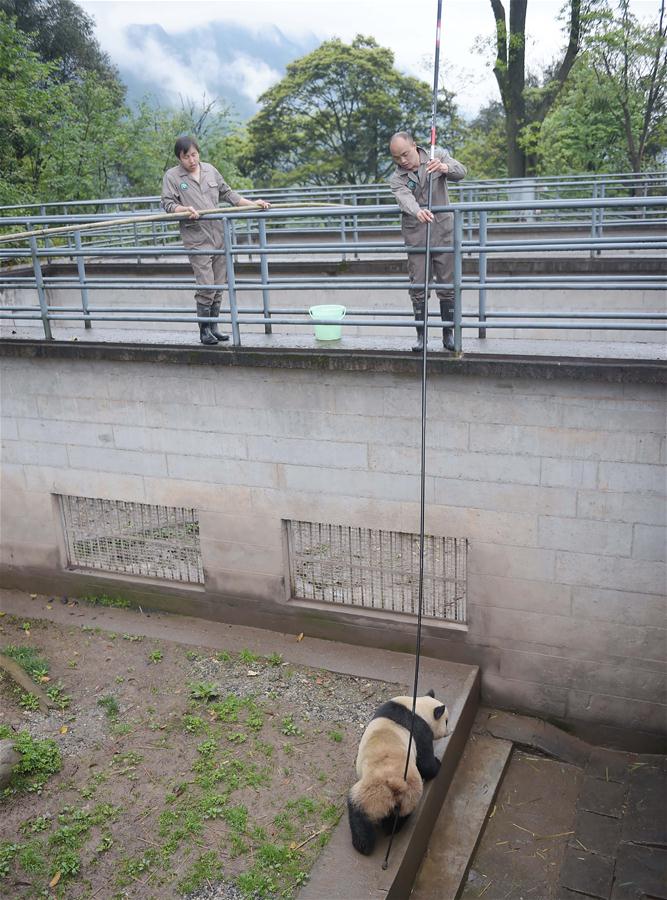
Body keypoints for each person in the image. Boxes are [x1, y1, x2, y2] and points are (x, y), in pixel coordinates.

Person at [161, 136, 271, 345]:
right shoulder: (173, 176)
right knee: (206, 284)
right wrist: (183, 209)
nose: (191, 160)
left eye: (194, 155)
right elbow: (167, 204)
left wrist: (253, 203)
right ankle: (204, 329)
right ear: (179, 158)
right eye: (186, 157)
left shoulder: (210, 170)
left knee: (219, 284)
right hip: (196, 237)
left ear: (198, 153)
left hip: (219, 235)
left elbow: (229, 194)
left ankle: (214, 327)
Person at [388, 132, 466, 352]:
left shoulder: (437, 154)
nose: (402, 161)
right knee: (418, 286)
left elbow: (461, 172)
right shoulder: (397, 179)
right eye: (396, 158)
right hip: (416, 236)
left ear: (415, 146)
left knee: (447, 284)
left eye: (405, 154)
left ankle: (448, 334)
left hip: (443, 231)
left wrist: (443, 168)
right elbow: (405, 199)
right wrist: (417, 211)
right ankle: (421, 336)